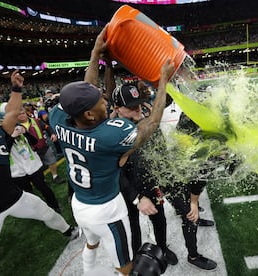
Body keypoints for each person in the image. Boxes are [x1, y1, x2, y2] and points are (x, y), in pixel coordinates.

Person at [48, 26, 175, 275]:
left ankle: (88, 272)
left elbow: (86, 89)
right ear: (87, 113)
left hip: (80, 204)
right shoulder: (111, 134)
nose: (104, 101)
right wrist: (162, 82)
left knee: (91, 243)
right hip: (106, 209)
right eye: (100, 102)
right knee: (128, 266)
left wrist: (96, 54)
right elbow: (150, 124)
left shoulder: (59, 118)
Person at [0, 70, 79, 276]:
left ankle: (69, 231)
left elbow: (11, 114)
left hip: (13, 196)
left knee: (46, 212)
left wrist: (17, 88)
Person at [111, 84, 178, 266]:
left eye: (138, 103)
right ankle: (136, 256)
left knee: (159, 218)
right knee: (132, 227)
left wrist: (163, 177)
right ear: (117, 108)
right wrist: (136, 198)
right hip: (128, 191)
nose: (138, 108)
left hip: (150, 182)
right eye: (131, 106)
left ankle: (162, 247)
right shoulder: (110, 133)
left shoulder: (148, 120)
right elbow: (113, 172)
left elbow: (160, 149)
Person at [160, 111, 217, 271]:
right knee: (190, 217)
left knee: (191, 200)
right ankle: (193, 257)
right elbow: (199, 179)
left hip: (180, 172)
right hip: (170, 179)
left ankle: (191, 213)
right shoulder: (200, 148)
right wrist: (192, 204)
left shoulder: (193, 134)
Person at [7, 124, 62, 214]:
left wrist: (25, 133)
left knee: (43, 187)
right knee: (28, 193)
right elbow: (5, 149)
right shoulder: (3, 136)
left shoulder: (20, 130)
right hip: (17, 171)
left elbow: (34, 141)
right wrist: (12, 136)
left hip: (33, 165)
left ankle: (54, 205)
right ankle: (36, 211)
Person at [17, 106, 64, 184]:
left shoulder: (36, 121)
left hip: (43, 146)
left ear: (26, 113)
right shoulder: (16, 126)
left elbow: (47, 127)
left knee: (51, 161)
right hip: (30, 151)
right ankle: (43, 180)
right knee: (37, 166)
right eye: (19, 114)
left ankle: (55, 176)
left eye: (23, 113)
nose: (22, 115)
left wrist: (52, 134)